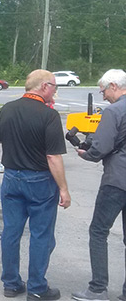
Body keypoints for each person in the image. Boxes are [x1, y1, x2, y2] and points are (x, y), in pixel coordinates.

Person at [0, 69, 70, 301]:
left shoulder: (8, 108)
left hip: (12, 178)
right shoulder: (49, 116)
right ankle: (37, 287)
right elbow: (53, 157)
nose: (55, 91)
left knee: (11, 232)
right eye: (55, 86)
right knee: (41, 235)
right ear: (44, 86)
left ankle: (11, 283)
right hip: (39, 182)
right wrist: (64, 189)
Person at [72, 69, 126, 301]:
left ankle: (97, 288)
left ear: (114, 86)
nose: (103, 96)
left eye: (103, 91)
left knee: (98, 231)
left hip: (117, 180)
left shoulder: (114, 111)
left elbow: (100, 148)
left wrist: (85, 153)